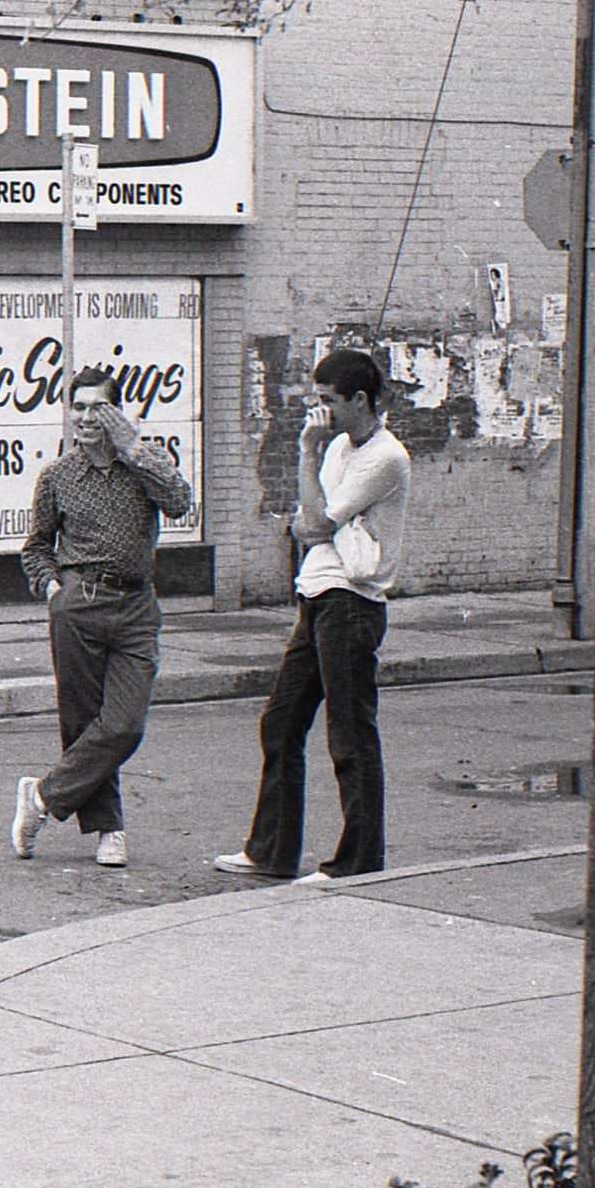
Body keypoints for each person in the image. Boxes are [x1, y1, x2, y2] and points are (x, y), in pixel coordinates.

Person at [214, 347, 411, 882]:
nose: (319, 413)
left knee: (350, 732)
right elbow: (307, 522)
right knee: (280, 722)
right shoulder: (341, 447)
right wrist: (316, 502)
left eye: (328, 401)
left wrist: (305, 454)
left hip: (352, 600)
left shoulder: (384, 457)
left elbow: (318, 522)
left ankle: (358, 859)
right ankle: (271, 851)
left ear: (360, 400)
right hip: (319, 594)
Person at [11, 366, 193, 867]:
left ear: (117, 412)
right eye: (80, 407)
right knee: (83, 721)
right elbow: (36, 546)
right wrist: (51, 586)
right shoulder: (57, 476)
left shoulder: (145, 461)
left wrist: (134, 450)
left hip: (135, 605)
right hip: (78, 603)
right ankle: (108, 829)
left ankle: (42, 797)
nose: (88, 417)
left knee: (125, 723)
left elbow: (180, 502)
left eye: (99, 407)